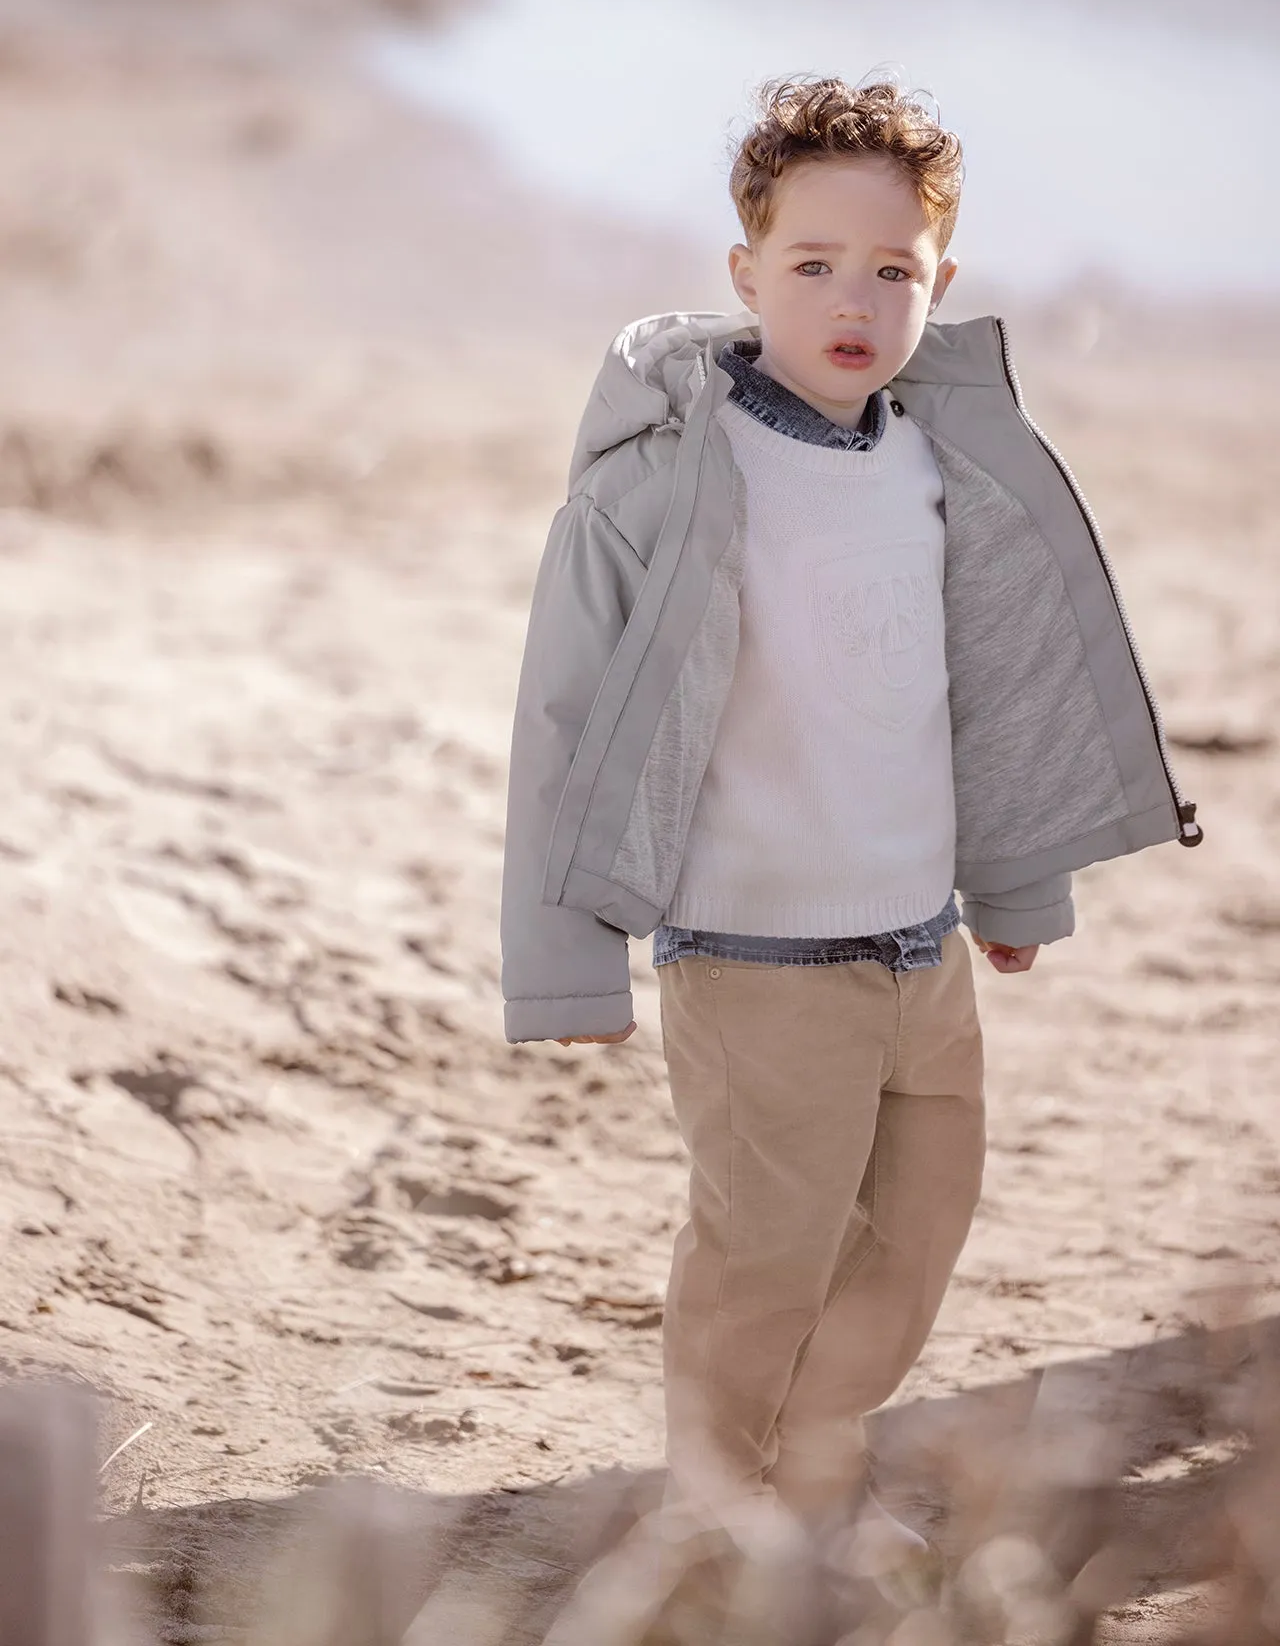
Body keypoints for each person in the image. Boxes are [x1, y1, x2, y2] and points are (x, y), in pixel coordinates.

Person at [498, 75, 1202, 1547]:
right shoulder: (667, 479)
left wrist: (1018, 893)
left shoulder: (943, 463)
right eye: (813, 262)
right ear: (745, 273)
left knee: (919, 1235)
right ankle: (728, 1504)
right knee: (765, 1254)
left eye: (896, 270)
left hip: (915, 945)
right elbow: (565, 723)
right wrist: (566, 964)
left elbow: (987, 695)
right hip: (750, 951)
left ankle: (806, 1466)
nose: (854, 298)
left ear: (940, 284)